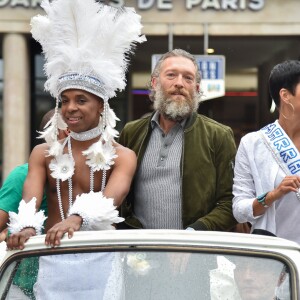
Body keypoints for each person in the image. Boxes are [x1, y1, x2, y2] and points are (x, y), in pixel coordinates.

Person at [5, 0, 145, 298]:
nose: (70, 108)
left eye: (81, 100)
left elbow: (112, 198)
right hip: (53, 260)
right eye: (64, 100)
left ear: (101, 106)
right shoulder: (42, 153)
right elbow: (29, 201)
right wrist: (28, 228)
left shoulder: (124, 156)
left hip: (103, 259)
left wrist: (76, 219)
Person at [118, 48, 237, 231]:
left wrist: (193, 235)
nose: (179, 83)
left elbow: (230, 202)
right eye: (171, 75)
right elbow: (119, 198)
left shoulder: (218, 135)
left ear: (196, 89)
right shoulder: (131, 132)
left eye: (188, 78)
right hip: (140, 252)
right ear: (155, 83)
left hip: (195, 252)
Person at [232, 60, 300, 243]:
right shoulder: (253, 144)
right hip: (275, 256)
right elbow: (239, 210)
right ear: (285, 95)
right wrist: (272, 195)